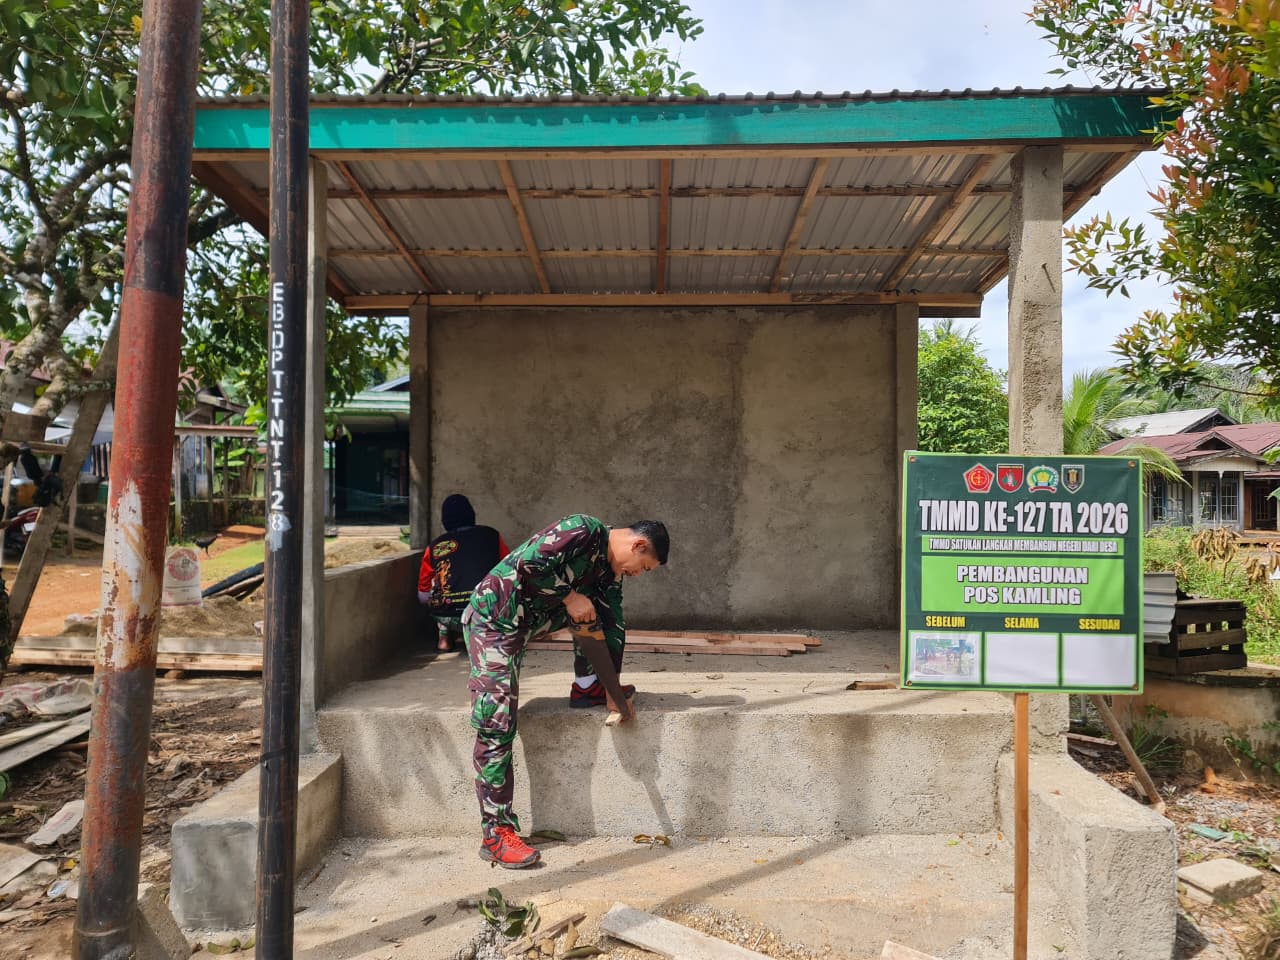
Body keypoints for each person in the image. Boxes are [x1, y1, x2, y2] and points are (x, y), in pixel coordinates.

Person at [464, 514, 669, 868]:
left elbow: (613, 625)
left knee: (595, 615)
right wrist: (570, 595)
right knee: (496, 720)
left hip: (530, 618)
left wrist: (612, 691)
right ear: (637, 545)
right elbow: (531, 563)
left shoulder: (608, 575)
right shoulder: (583, 530)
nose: (639, 575)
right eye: (644, 568)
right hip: (495, 620)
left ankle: (587, 687)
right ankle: (496, 833)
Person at [418, 494, 510, 652]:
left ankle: (444, 637)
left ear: (444, 520)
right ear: (471, 514)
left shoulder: (435, 546)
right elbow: (509, 569)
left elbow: (423, 592)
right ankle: (495, 635)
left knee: (436, 588)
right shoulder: (491, 535)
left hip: (448, 615)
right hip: (486, 612)